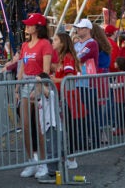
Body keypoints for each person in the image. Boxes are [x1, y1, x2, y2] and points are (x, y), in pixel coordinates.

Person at [12, 13, 52, 178]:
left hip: (38, 86)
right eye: (27, 24)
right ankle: (31, 161)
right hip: (25, 87)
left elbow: (46, 71)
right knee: (26, 126)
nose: (27, 26)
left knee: (40, 126)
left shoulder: (45, 44)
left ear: (38, 27)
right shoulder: (25, 46)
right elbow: (22, 68)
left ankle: (43, 162)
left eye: (30, 24)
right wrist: (16, 88)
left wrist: (39, 88)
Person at [50, 31, 80, 170]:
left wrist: (54, 79)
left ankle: (72, 158)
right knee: (64, 127)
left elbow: (69, 77)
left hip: (67, 97)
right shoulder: (61, 57)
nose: (53, 42)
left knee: (69, 128)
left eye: (55, 40)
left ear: (62, 43)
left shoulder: (67, 57)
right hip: (62, 96)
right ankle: (66, 156)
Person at [73, 18, 99, 150]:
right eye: (77, 27)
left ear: (88, 29)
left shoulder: (92, 43)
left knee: (90, 114)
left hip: (89, 84)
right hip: (76, 84)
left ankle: (94, 142)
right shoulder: (76, 44)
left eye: (81, 28)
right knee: (80, 115)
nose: (78, 30)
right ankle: (83, 142)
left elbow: (77, 58)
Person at [35, 72, 59, 179]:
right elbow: (32, 96)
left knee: (51, 150)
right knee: (51, 148)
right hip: (45, 126)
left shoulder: (51, 94)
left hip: (51, 126)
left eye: (38, 85)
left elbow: (47, 92)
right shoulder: (40, 96)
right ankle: (55, 171)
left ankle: (52, 173)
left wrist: (40, 82)